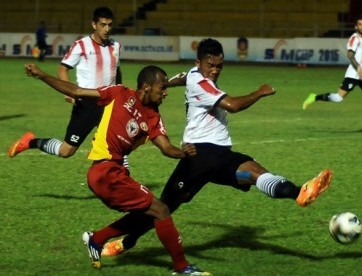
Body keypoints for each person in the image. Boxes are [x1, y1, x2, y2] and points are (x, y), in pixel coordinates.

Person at [100, 38, 333, 257]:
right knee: (163, 207)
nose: (215, 70)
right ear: (199, 62)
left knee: (255, 173)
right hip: (199, 157)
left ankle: (299, 193)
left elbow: (183, 77)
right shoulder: (201, 83)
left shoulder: (194, 74)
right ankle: (120, 241)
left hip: (220, 155)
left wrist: (165, 83)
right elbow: (232, 105)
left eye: (219, 66)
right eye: (210, 65)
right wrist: (260, 92)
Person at [23, 63, 211, 275]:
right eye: (163, 87)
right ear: (147, 87)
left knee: (148, 213)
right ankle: (182, 267)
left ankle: (97, 239)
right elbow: (76, 91)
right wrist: (42, 75)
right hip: (104, 172)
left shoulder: (152, 116)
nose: (166, 93)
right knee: (161, 210)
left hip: (115, 171)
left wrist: (183, 153)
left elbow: (165, 147)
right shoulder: (118, 93)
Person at [9, 7, 128, 168]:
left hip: (108, 104)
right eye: (103, 25)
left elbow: (116, 71)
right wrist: (69, 93)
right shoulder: (81, 45)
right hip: (86, 103)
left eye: (109, 25)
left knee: (117, 143)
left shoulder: (116, 46)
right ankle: (31, 142)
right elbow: (63, 68)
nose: (107, 29)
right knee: (66, 151)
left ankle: (124, 184)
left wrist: (119, 93)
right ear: (94, 25)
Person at [302, 15, 362, 133]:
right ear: (356, 26)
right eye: (360, 24)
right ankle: (314, 97)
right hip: (353, 74)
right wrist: (357, 66)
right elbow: (350, 55)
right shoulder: (355, 38)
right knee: (338, 98)